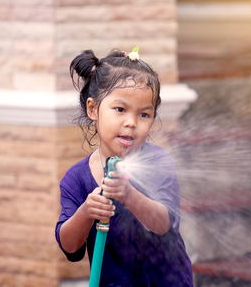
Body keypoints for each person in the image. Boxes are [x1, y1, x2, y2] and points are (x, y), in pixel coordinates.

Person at [55, 48, 193, 286]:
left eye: (144, 114)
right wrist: (86, 212)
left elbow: (163, 224)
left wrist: (128, 195)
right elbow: (69, 246)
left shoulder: (157, 162)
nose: (131, 123)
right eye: (120, 109)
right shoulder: (76, 178)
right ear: (92, 109)